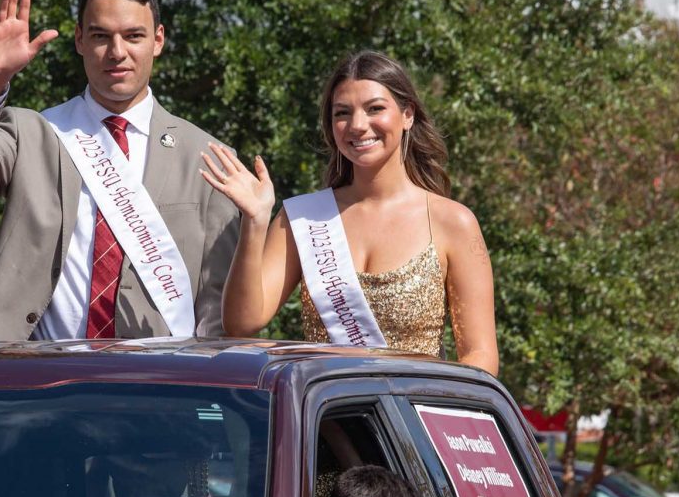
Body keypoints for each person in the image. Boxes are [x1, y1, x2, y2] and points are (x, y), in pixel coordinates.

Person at [0, 0, 240, 340]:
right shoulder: (36, 134)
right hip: (31, 374)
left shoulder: (209, 159)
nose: (117, 52)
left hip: (155, 381)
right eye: (100, 36)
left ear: (158, 40)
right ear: (79, 39)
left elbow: (216, 309)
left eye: (133, 36)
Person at [199, 51, 498, 374]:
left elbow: (480, 356)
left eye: (375, 109)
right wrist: (255, 223)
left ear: (407, 114)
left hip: (412, 416)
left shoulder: (453, 222)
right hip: (326, 417)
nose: (357, 125)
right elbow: (242, 325)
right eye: (342, 113)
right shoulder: (303, 218)